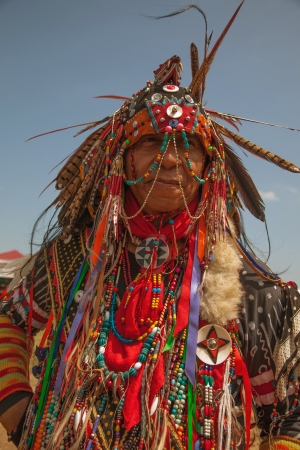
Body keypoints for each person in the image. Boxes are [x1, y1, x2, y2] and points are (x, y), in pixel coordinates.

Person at [1, 3, 300, 450]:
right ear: (120, 160)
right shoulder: (73, 260)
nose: (170, 159)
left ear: (211, 167)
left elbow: (294, 410)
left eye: (188, 146)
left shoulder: (253, 290)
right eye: (150, 141)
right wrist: (14, 403)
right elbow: (9, 319)